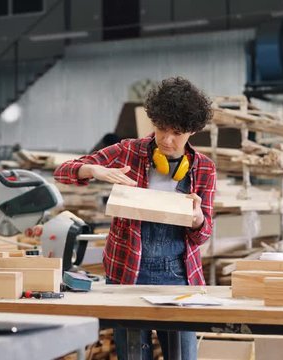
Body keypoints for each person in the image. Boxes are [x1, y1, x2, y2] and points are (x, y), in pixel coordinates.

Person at [54, 76, 216, 360]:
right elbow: (63, 171)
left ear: (192, 130)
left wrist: (197, 220)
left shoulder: (204, 168)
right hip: (128, 271)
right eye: (161, 129)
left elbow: (202, 236)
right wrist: (95, 171)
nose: (166, 140)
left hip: (179, 277)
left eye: (176, 132)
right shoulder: (129, 151)